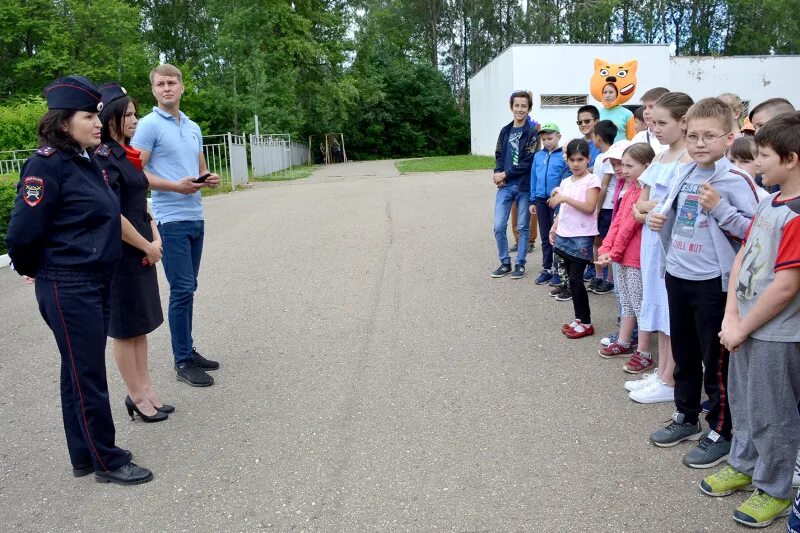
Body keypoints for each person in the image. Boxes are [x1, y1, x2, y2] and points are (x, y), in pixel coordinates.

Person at [5, 76, 152, 485]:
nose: (97, 123)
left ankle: (84, 455)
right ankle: (108, 459)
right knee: (88, 374)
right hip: (68, 283)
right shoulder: (46, 164)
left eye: (96, 115)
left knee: (76, 371)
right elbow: (21, 232)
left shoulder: (86, 160)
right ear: (63, 122)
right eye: (88, 116)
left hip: (92, 280)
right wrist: (32, 267)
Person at [699, 111, 800, 528]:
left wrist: (742, 324)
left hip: (777, 334)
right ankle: (743, 464)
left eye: (763, 156)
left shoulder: (797, 213)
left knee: (773, 411)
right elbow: (743, 256)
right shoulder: (770, 200)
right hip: (746, 326)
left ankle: (775, 487)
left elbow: (786, 284)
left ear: (791, 159)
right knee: (743, 401)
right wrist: (731, 315)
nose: (755, 163)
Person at [647, 97, 759, 469]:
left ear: (729, 138)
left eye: (709, 136)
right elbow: (675, 217)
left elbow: (755, 234)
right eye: (693, 135)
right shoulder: (685, 172)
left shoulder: (735, 179)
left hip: (714, 283)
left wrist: (722, 210)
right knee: (685, 353)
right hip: (678, 274)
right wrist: (660, 222)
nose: (699, 143)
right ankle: (686, 416)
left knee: (716, 362)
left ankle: (722, 430)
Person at [131, 64, 221, 387]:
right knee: (181, 289)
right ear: (153, 90)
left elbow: (199, 167)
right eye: (160, 84)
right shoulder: (148, 126)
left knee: (189, 288)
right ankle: (182, 360)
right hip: (170, 219)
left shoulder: (192, 126)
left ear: (182, 87)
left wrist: (207, 179)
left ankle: (189, 349)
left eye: (172, 82)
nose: (167, 88)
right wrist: (174, 186)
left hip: (195, 216)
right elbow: (136, 174)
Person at [95, 83, 171, 422]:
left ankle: (147, 390)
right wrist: (146, 245)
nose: (135, 120)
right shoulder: (104, 159)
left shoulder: (127, 154)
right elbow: (113, 213)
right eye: (128, 115)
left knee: (140, 324)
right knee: (125, 329)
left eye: (136, 114)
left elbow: (141, 205)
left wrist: (155, 239)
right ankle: (136, 395)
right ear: (111, 118)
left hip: (143, 248)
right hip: (122, 254)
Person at [625, 92, 694, 401]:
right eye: (654, 122)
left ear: (683, 122)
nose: (655, 128)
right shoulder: (662, 157)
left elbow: (673, 206)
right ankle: (664, 371)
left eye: (662, 123)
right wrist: (650, 207)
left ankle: (671, 378)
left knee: (671, 311)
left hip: (672, 243)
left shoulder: (687, 159)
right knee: (659, 305)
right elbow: (639, 207)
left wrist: (650, 208)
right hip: (652, 242)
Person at [596, 143, 655, 370]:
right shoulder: (629, 189)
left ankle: (645, 351)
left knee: (640, 305)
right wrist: (605, 249)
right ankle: (624, 341)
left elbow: (630, 226)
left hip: (635, 258)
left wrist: (614, 252)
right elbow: (618, 222)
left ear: (647, 167)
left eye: (629, 165)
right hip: (620, 257)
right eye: (622, 165)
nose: (624, 170)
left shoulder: (645, 193)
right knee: (626, 302)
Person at [549, 139, 601, 337]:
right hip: (565, 234)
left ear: (588, 159)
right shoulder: (565, 182)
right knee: (572, 281)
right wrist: (554, 227)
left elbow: (589, 208)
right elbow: (564, 210)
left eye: (580, 159)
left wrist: (565, 197)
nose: (576, 164)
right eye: (572, 159)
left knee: (577, 280)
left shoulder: (592, 180)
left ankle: (587, 322)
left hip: (581, 237)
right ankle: (579, 318)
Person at [491, 90, 539, 279]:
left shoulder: (532, 134)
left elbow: (528, 161)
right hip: (505, 186)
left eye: (524, 106)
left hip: (524, 186)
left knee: (523, 226)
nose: (520, 109)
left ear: (529, 109)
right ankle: (504, 262)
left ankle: (520, 263)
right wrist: (497, 173)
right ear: (511, 107)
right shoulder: (505, 131)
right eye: (517, 105)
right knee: (498, 226)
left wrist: (505, 173)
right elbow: (498, 155)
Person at [529, 122, 569, 286]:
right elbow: (533, 178)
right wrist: (532, 200)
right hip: (540, 200)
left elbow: (565, 179)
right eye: (544, 139)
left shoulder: (563, 156)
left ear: (558, 137)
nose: (547, 142)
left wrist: (559, 196)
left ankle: (559, 270)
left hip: (556, 201)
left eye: (550, 138)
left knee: (557, 236)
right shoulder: (538, 156)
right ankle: (546, 268)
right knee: (545, 236)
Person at [588, 120, 618, 294]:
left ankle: (610, 279)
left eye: (593, 135)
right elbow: (595, 173)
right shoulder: (600, 156)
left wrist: (597, 209)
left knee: (608, 243)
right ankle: (598, 275)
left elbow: (604, 186)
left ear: (598, 137)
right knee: (597, 241)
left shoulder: (612, 155)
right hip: (599, 205)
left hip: (607, 207)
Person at [631, 87, 670, 154]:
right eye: (645, 107)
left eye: (651, 107)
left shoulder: (673, 136)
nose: (646, 112)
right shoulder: (639, 137)